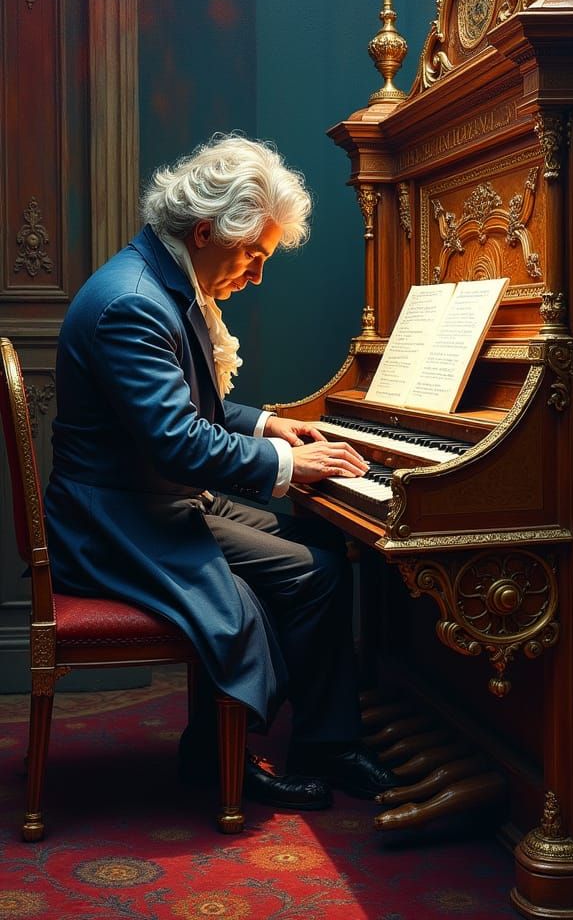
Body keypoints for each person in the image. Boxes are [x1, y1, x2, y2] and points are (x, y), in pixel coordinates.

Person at [45, 132, 403, 810]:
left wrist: (268, 425)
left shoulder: (159, 278)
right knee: (310, 570)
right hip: (116, 521)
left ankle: (322, 740)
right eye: (252, 254)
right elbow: (178, 443)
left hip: (148, 498)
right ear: (206, 230)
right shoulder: (133, 303)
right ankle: (226, 760)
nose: (257, 274)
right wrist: (288, 466)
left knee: (322, 545)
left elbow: (187, 407)